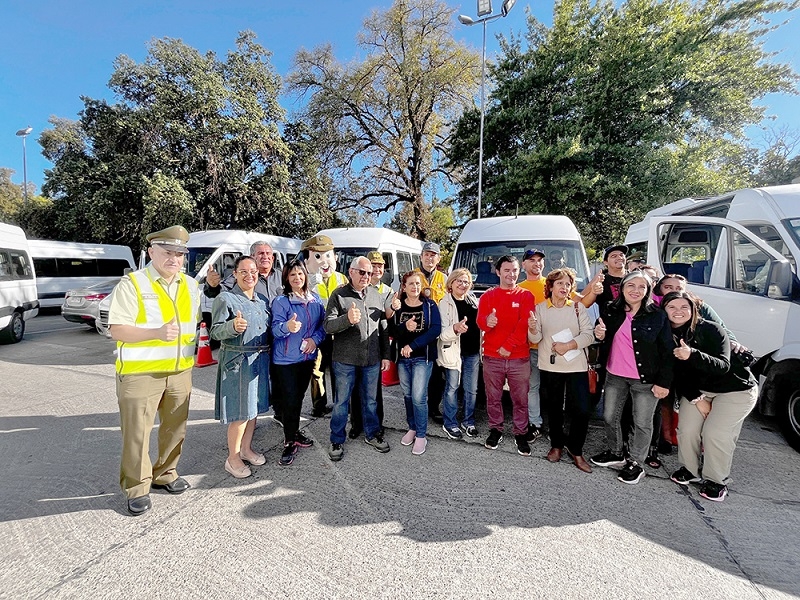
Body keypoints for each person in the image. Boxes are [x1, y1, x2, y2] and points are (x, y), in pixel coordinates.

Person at [108, 225, 201, 516]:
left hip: (179, 372)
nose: (173, 259)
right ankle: (136, 488)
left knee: (175, 429)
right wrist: (156, 333)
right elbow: (117, 329)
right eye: (167, 252)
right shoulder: (133, 284)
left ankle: (166, 473)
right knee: (137, 433)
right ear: (151, 252)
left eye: (179, 254)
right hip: (141, 374)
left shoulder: (190, 285)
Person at [663, 291, 758, 502]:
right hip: (698, 389)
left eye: (684, 307)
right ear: (664, 310)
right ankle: (690, 470)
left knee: (715, 433)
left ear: (693, 309)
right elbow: (675, 375)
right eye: (672, 307)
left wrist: (692, 354)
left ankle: (716, 480)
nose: (678, 312)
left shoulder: (712, 329)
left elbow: (723, 366)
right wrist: (698, 399)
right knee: (687, 430)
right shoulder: (665, 333)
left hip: (735, 389)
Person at [591, 271, 674, 485]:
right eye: (631, 286)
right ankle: (616, 452)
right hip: (615, 375)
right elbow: (602, 335)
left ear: (647, 290)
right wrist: (599, 334)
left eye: (642, 287)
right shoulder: (612, 310)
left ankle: (636, 463)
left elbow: (667, 352)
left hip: (645, 380)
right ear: (623, 288)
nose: (636, 290)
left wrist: (664, 382)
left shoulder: (657, 315)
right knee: (609, 417)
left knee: (642, 423)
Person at [528, 268, 596, 472]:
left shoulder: (577, 308)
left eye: (567, 284)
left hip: (576, 366)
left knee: (582, 410)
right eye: (559, 283)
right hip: (550, 366)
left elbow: (589, 335)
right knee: (555, 409)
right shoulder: (540, 309)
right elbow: (535, 339)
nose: (564, 287)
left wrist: (569, 346)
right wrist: (532, 328)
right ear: (550, 286)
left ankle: (575, 450)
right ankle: (556, 445)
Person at [324, 256, 391, 461]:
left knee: (371, 401)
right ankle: (336, 439)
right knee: (341, 403)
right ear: (351, 271)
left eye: (369, 273)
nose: (366, 276)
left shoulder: (375, 295)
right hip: (345, 360)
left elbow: (382, 328)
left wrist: (386, 355)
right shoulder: (339, 295)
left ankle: (372, 434)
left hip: (371, 359)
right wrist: (347, 320)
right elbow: (328, 326)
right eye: (362, 272)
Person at [210, 256, 271, 479]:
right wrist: (232, 327)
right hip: (237, 362)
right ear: (234, 274)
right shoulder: (226, 299)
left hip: (259, 361)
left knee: (253, 410)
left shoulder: (262, 300)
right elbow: (215, 332)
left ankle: (246, 449)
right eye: (243, 271)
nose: (249, 275)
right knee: (240, 413)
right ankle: (233, 458)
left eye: (253, 271)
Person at [476, 255, 535, 455]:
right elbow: (480, 322)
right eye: (507, 270)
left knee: (520, 399)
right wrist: (487, 321)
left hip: (519, 357)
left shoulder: (526, 296)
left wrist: (509, 346)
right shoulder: (487, 296)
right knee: (493, 398)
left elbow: (524, 323)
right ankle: (496, 429)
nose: (511, 274)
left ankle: (521, 432)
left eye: (515, 270)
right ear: (498, 272)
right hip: (493, 358)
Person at [270, 259, 326, 466]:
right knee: (290, 400)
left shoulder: (316, 300)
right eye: (292, 274)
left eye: (300, 274)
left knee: (299, 398)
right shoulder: (281, 301)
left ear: (305, 276)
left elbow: (322, 328)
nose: (297, 278)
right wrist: (287, 326)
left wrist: (314, 340)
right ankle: (289, 441)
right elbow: (274, 330)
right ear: (286, 278)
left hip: (307, 358)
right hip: (285, 361)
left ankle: (293, 432)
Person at [388, 271, 441, 455]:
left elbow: (435, 330)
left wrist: (413, 344)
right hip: (403, 359)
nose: (415, 287)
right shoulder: (398, 306)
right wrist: (404, 327)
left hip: (422, 358)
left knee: (419, 397)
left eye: (418, 284)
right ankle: (412, 427)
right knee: (408, 395)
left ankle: (421, 435)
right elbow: (392, 330)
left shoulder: (430, 305)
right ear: (403, 286)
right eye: (411, 284)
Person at [301, 234, 349, 418]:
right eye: (318, 257)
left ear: (335, 257)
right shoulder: (306, 279)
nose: (324, 261)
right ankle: (319, 405)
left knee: (339, 370)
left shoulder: (342, 278)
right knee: (317, 370)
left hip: (338, 333)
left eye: (327, 255)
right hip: (318, 332)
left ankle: (340, 403)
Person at [348, 250, 393, 439]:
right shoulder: (351, 288)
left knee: (374, 394)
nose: (376, 269)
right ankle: (356, 424)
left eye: (380, 266)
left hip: (374, 347)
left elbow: (386, 322)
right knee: (355, 392)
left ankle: (376, 425)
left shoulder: (388, 291)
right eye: (372, 266)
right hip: (355, 349)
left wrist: (386, 354)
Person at [438, 268, 481, 439]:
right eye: (459, 281)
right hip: (454, 353)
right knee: (452, 389)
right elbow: (441, 334)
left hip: (472, 353)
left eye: (466, 282)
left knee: (471, 390)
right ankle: (450, 423)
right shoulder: (444, 303)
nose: (463, 285)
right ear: (451, 283)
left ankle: (468, 421)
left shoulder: (473, 301)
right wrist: (455, 328)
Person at [417, 241, 447, 424]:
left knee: (437, 374)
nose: (429, 258)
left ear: (438, 258)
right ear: (421, 257)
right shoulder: (413, 275)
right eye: (426, 254)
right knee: (418, 373)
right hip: (418, 333)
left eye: (433, 255)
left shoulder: (444, 279)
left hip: (438, 333)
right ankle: (418, 407)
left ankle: (434, 407)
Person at [205, 241, 283, 304]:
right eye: (261, 253)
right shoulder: (242, 275)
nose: (265, 257)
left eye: (268, 253)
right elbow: (220, 292)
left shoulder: (281, 275)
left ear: (272, 258)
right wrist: (212, 286)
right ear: (252, 256)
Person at [594, 244, 628, 310]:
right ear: (605, 262)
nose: (619, 258)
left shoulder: (635, 278)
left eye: (621, 255)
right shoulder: (601, 281)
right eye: (614, 256)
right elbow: (586, 303)